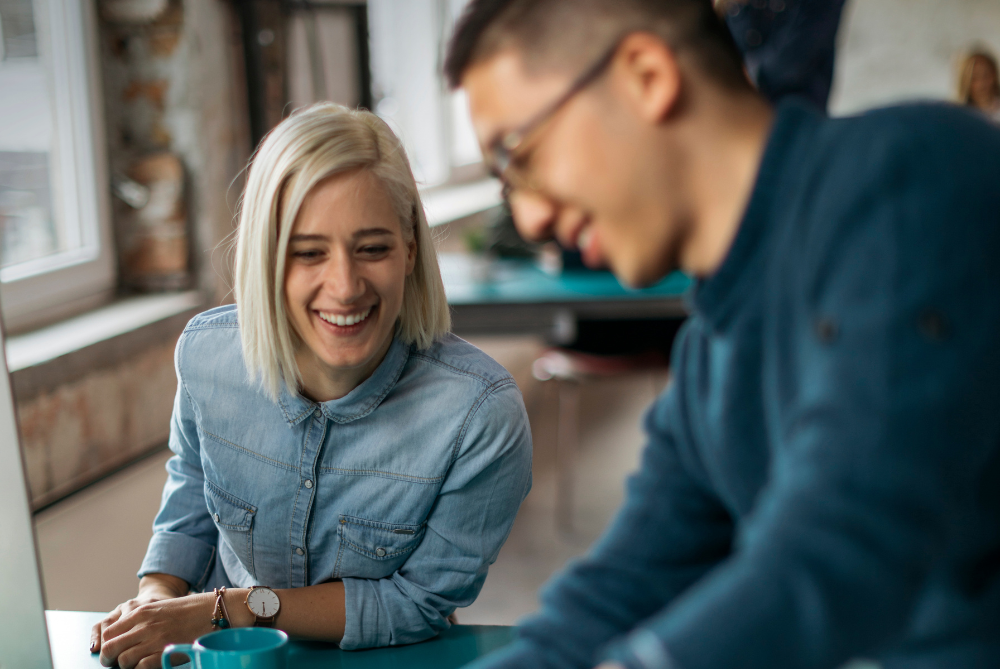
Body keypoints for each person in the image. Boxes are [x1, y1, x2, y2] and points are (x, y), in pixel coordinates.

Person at [444, 1, 1000, 668]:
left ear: (646, 76)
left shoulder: (914, 176)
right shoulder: (711, 359)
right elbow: (611, 597)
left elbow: (842, 544)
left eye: (520, 154)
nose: (528, 217)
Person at [90, 103, 533, 669]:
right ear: (266, 259)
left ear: (410, 253)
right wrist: (156, 602)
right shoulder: (206, 355)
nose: (345, 286)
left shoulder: (479, 415)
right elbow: (191, 499)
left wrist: (228, 609)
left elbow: (414, 603)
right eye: (308, 253)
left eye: (373, 248)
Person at [958, 48, 1000, 122]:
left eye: (986, 75)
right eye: (974, 78)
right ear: (965, 81)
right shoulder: (960, 115)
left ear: (994, 75)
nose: (981, 83)